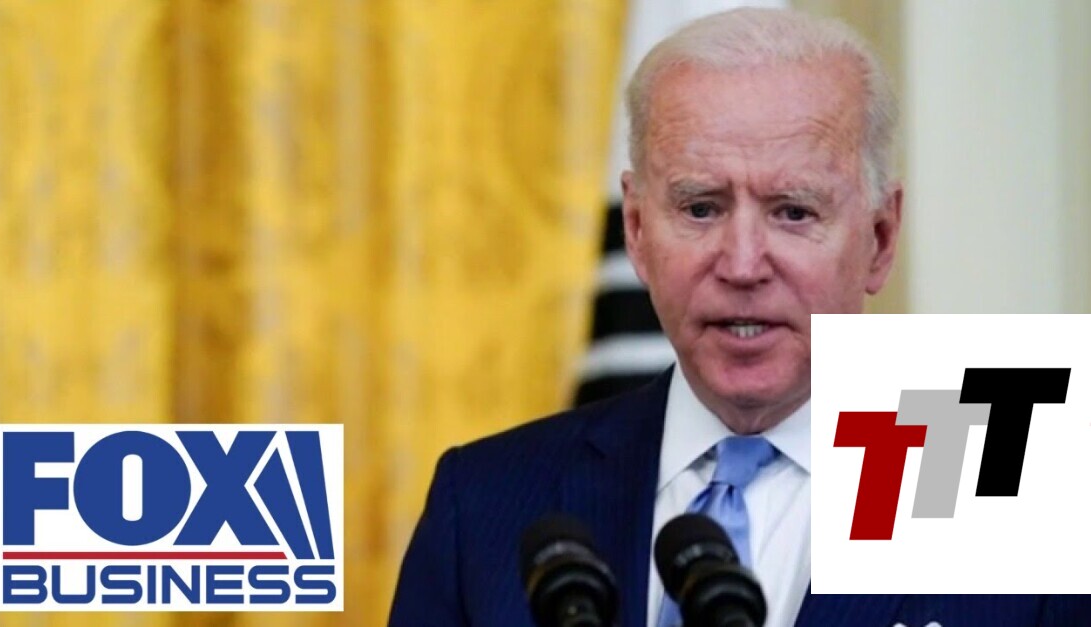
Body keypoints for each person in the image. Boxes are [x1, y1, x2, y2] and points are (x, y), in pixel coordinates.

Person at [388, 8, 1091, 627]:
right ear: (636, 230)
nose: (743, 263)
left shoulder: (1019, 472)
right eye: (701, 208)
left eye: (793, 211)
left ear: (879, 239)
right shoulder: (482, 503)